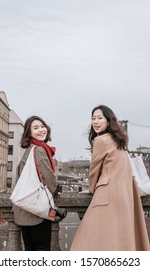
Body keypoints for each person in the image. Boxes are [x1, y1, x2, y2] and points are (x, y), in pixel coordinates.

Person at [71, 105, 150, 251]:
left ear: (108, 121)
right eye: (93, 118)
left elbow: (94, 171)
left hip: (107, 194)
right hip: (125, 194)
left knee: (85, 240)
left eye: (100, 118)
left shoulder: (100, 140)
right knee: (118, 238)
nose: (95, 122)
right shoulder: (119, 140)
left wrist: (91, 189)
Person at [13, 115, 61, 251]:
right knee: (42, 250)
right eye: (36, 128)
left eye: (42, 126)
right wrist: (57, 189)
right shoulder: (39, 150)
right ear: (29, 133)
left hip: (25, 210)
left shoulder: (29, 150)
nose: (41, 130)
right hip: (36, 213)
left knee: (29, 249)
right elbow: (49, 179)